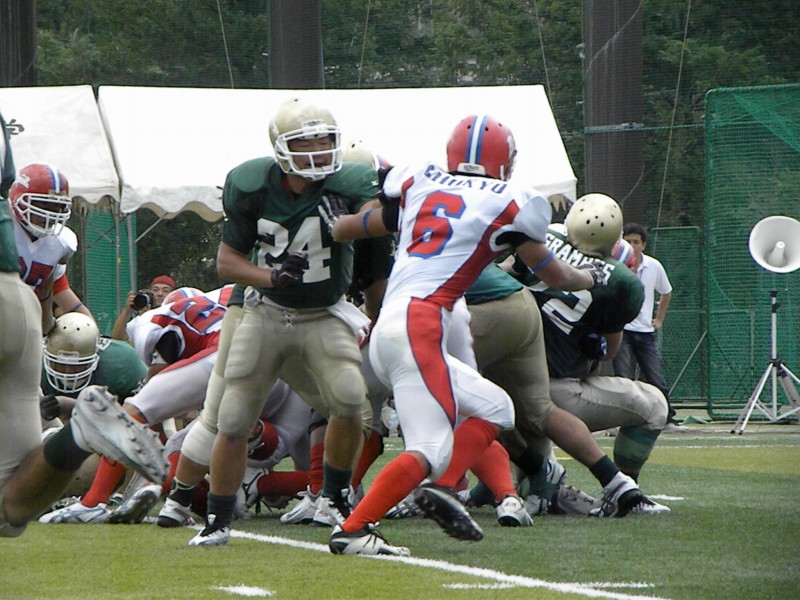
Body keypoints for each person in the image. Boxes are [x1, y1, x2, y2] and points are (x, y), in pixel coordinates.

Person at [321, 114, 609, 556]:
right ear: (505, 162)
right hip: (421, 324)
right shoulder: (511, 201)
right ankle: (356, 528)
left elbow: (366, 224)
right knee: (430, 448)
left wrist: (336, 226)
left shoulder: (421, 180)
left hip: (394, 325)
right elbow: (555, 275)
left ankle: (442, 489)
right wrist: (591, 276)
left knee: (496, 407)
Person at [187, 97, 378, 547]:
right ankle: (217, 518)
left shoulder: (349, 179)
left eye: (324, 140)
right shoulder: (251, 183)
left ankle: (334, 497)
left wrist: (350, 223)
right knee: (234, 414)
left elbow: (378, 220)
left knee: (350, 398)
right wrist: (270, 276)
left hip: (322, 313)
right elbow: (227, 262)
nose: (317, 150)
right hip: (266, 310)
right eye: (304, 142)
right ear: (280, 148)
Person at [0, 112, 169, 538]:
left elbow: (51, 300)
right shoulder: (57, 243)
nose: (48, 217)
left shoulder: (52, 242)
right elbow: (44, 303)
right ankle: (80, 433)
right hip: (21, 319)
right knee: (10, 507)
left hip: (17, 315)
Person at [612, 222, 685, 432]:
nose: (632, 246)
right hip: (621, 331)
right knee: (623, 380)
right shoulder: (615, 265)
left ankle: (667, 419)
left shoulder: (654, 266)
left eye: (636, 242)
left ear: (643, 245)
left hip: (645, 332)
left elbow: (666, 292)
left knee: (655, 377)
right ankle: (620, 422)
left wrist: (659, 319)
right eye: (628, 241)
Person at [8, 162, 94, 333]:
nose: (49, 214)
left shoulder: (60, 242)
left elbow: (57, 293)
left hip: (24, 328)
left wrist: (90, 330)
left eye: (56, 207)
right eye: (42, 205)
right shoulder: (6, 227)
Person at [111, 275, 177, 341]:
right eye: (155, 290)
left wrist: (148, 319)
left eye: (165, 291)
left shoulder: (176, 317)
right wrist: (126, 310)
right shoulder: (141, 318)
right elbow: (117, 337)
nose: (160, 294)